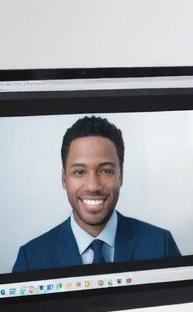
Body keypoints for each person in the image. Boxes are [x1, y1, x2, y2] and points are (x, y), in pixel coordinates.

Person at [12, 115, 181, 272]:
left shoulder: (160, 244)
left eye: (106, 171)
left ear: (120, 176)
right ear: (64, 179)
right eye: (79, 172)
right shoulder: (31, 258)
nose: (93, 186)